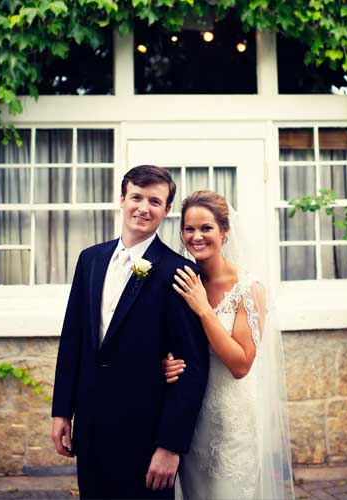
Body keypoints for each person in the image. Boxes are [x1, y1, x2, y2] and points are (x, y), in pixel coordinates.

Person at [51, 165, 210, 500]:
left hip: (146, 435)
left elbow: (192, 366)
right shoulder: (89, 260)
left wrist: (170, 446)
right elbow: (73, 339)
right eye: (136, 197)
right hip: (91, 428)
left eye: (155, 201)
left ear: (167, 211)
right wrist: (62, 411)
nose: (143, 207)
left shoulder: (180, 272)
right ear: (121, 199)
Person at [164, 190, 294, 500]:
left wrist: (204, 309)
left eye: (206, 228)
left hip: (232, 420)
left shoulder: (248, 289)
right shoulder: (182, 280)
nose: (196, 236)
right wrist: (165, 361)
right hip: (192, 418)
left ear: (224, 231)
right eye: (189, 229)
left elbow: (241, 364)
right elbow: (169, 340)